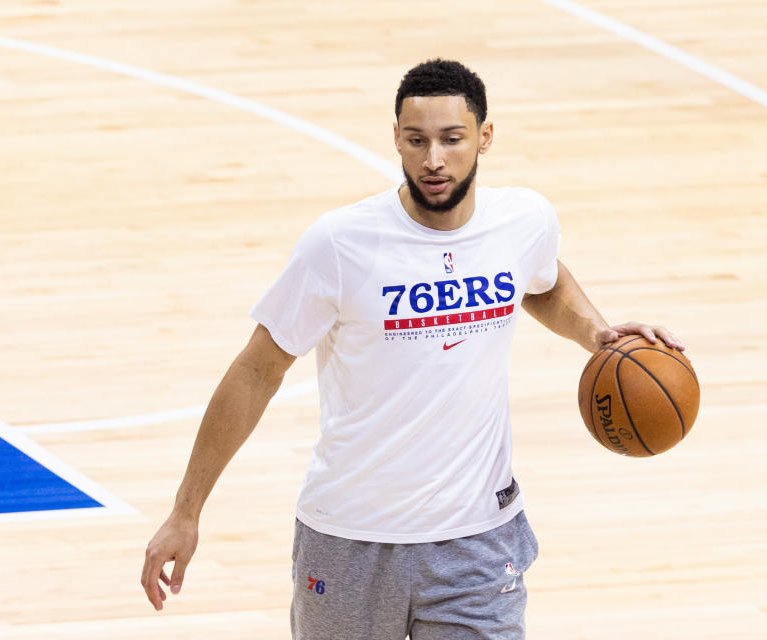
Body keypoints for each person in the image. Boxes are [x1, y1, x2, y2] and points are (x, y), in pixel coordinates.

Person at [141, 58, 684, 639]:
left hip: (478, 540)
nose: (434, 160)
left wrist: (596, 336)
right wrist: (186, 511)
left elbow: (543, 282)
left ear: (485, 137)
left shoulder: (523, 219)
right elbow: (255, 372)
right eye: (416, 140)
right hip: (349, 542)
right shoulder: (340, 243)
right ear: (395, 140)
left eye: (452, 140)